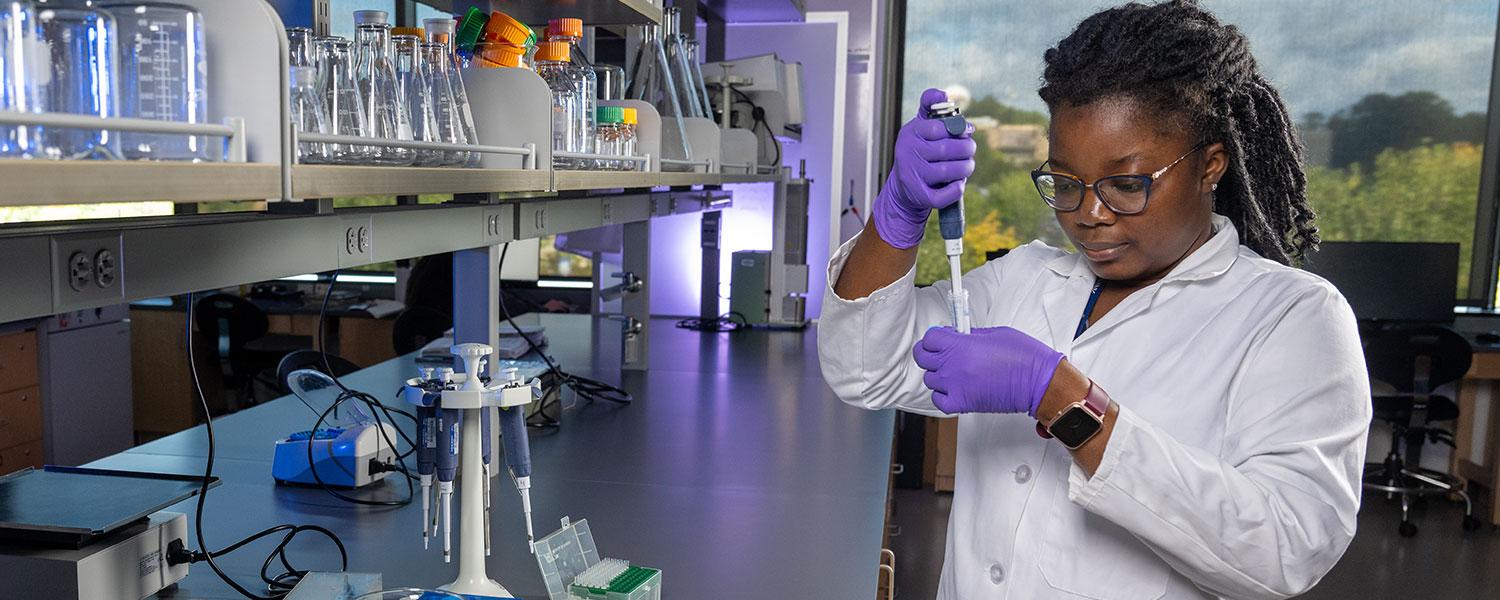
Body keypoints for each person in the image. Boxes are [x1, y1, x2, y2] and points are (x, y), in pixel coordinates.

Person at [818, 1, 1371, 598]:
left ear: (1211, 164)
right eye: (1065, 183)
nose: (1089, 215)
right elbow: (865, 370)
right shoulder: (1023, 280)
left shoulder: (1292, 317)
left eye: (1126, 184)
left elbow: (1286, 550)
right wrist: (898, 213)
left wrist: (1064, 400)